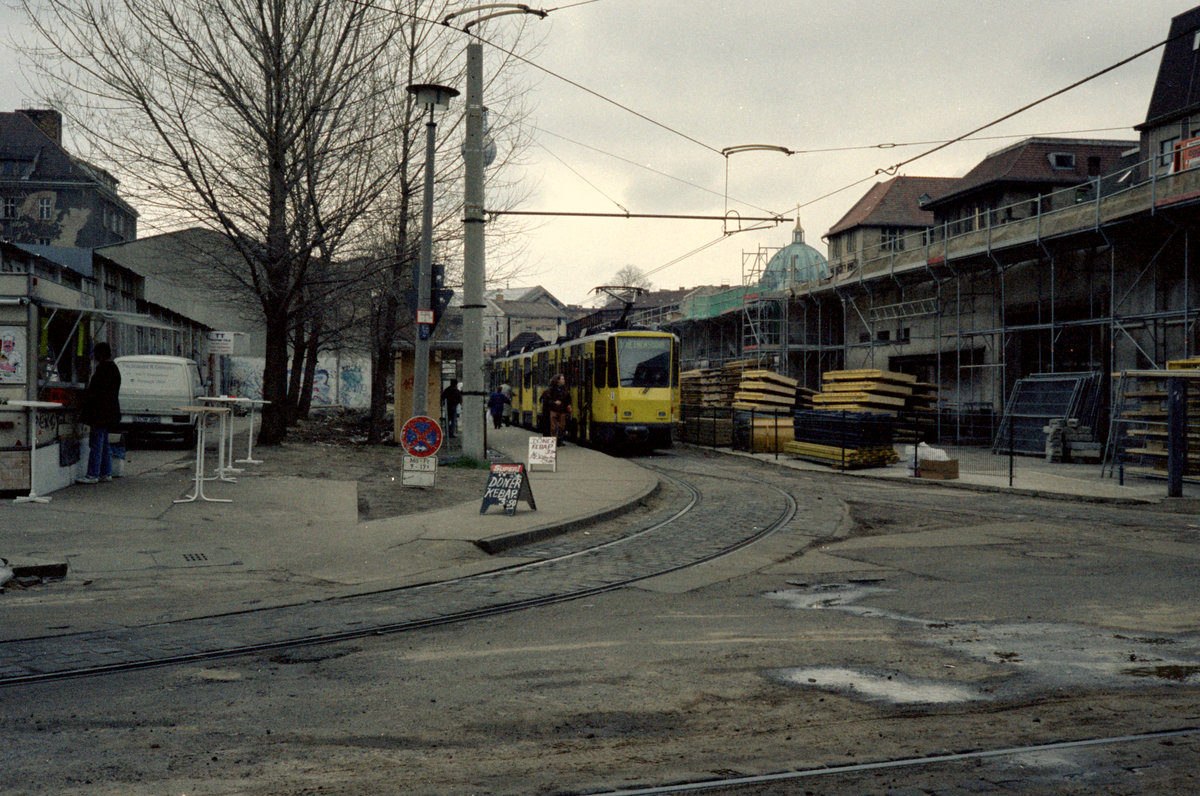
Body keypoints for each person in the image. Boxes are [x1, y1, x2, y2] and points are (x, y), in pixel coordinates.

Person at [77, 342, 121, 484]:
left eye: (96, 353)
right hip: (110, 412)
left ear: (101, 354)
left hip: (99, 413)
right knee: (104, 443)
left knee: (96, 443)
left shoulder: (102, 370)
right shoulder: (114, 369)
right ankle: (106, 472)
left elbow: (95, 392)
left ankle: (92, 474)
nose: (94, 356)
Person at [544, 373, 571, 445]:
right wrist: (554, 402)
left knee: (562, 426)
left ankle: (559, 438)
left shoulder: (565, 389)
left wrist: (568, 405)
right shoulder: (551, 390)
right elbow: (548, 400)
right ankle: (554, 441)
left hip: (562, 410)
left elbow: (568, 398)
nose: (564, 380)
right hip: (554, 410)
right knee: (553, 427)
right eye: (562, 379)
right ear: (558, 380)